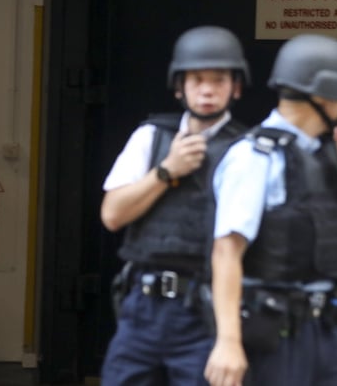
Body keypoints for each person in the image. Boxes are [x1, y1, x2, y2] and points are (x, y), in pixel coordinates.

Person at [203, 34, 337, 386]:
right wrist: (228, 341)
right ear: (325, 95)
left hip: (325, 329)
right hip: (273, 331)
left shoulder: (327, 154)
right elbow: (226, 252)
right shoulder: (255, 156)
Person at [99, 25, 251, 385]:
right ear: (179, 86)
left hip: (207, 309)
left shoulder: (248, 150)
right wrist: (166, 171)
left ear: (237, 87)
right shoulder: (150, 137)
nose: (208, 89)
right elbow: (112, 215)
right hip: (142, 305)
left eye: (219, 79)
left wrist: (231, 338)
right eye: (197, 79)